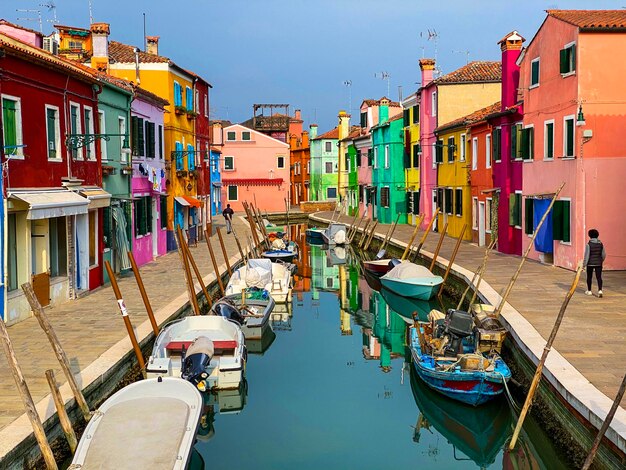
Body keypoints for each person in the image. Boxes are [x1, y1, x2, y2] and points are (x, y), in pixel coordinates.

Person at [583, 228, 606, 297]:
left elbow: (586, 256)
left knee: (589, 277)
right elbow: (604, 254)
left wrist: (584, 265)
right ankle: (600, 290)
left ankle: (589, 291)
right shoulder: (601, 244)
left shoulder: (588, 245)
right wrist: (601, 260)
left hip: (590, 263)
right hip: (599, 263)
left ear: (589, 236)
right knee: (599, 277)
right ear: (597, 235)